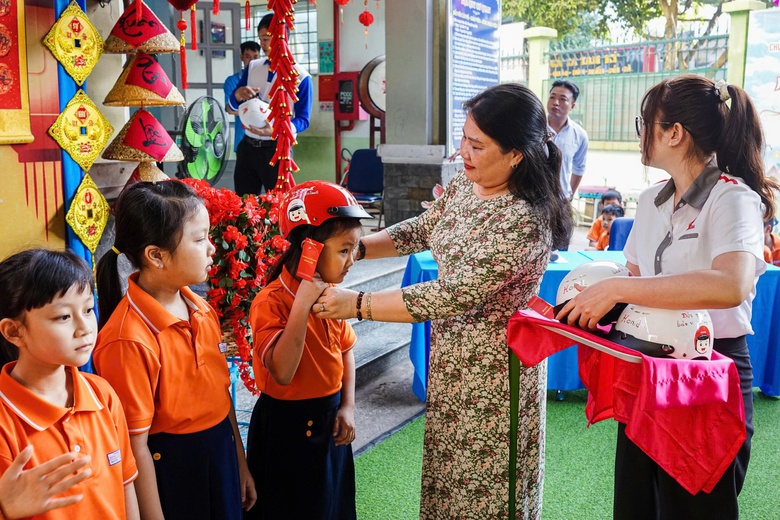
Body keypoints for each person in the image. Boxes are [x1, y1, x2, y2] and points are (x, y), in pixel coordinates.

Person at [313, 84, 573, 518]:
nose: (464, 152)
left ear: (516, 154)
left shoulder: (525, 219)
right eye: (464, 139)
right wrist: (354, 249)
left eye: (477, 144)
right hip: (452, 361)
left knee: (486, 489)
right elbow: (422, 228)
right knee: (449, 477)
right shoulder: (468, 186)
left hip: (494, 375)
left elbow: (450, 295)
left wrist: (355, 303)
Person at [557, 74, 779, 519]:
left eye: (645, 123)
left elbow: (730, 284)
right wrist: (591, 290)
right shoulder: (653, 198)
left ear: (674, 133)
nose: (641, 135)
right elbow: (637, 276)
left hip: (707, 372)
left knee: (696, 507)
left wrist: (618, 287)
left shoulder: (732, 198)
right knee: (638, 504)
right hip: (648, 368)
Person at [93, 181, 256, 519]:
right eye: (199, 240)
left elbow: (221, 398)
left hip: (219, 456)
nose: (212, 248)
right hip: (172, 475)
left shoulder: (200, 309)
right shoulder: (128, 339)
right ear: (156, 256)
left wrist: (238, 464)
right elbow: (135, 446)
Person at [244, 181, 370, 520]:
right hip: (287, 428)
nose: (352, 261)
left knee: (331, 507)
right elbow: (282, 372)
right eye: (344, 250)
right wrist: (301, 307)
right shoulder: (271, 302)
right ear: (309, 248)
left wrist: (348, 406)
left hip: (329, 419)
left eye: (354, 250)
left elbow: (346, 351)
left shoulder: (332, 294)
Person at [0, 248, 140, 520]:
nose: (85, 327)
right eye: (63, 317)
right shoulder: (5, 422)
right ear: (14, 331)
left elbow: (125, 484)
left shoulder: (102, 394)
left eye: (88, 309)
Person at [227, 13, 313, 195]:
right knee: (244, 205)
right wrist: (237, 94)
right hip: (247, 146)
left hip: (277, 149)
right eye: (261, 39)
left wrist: (277, 129)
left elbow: (303, 120)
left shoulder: (302, 77)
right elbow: (233, 107)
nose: (263, 44)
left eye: (266, 39)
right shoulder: (253, 67)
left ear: (283, 38)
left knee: (278, 206)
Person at [547, 79, 588, 201]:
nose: (555, 103)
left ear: (572, 106)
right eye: (552, 97)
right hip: (533, 197)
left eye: (562, 99)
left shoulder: (580, 135)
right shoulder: (534, 127)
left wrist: (569, 196)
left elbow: (579, 168)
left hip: (560, 199)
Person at [224, 41, 262, 156]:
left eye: (255, 57)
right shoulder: (232, 81)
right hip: (243, 138)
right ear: (241, 57)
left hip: (266, 138)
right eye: (247, 57)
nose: (252, 61)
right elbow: (229, 109)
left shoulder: (265, 79)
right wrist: (257, 112)